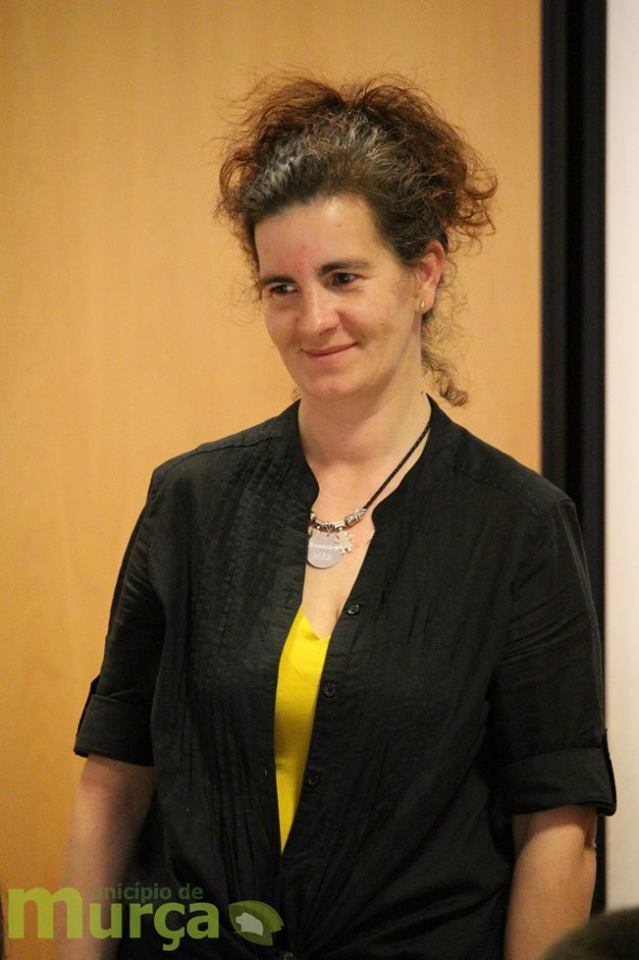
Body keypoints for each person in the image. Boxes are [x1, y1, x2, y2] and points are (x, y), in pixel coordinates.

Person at [57, 75, 616, 960]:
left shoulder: (518, 526)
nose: (313, 319)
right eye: (281, 287)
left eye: (343, 277)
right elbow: (112, 781)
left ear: (423, 273)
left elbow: (556, 825)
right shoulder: (189, 501)